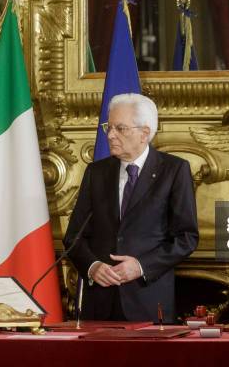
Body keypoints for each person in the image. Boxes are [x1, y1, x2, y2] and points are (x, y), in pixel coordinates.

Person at [64, 93, 199, 323]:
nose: (110, 135)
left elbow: (187, 237)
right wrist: (93, 266)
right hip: (100, 304)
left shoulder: (174, 171)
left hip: (148, 301)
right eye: (109, 127)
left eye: (120, 128)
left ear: (144, 133)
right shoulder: (96, 173)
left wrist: (141, 266)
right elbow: (74, 237)